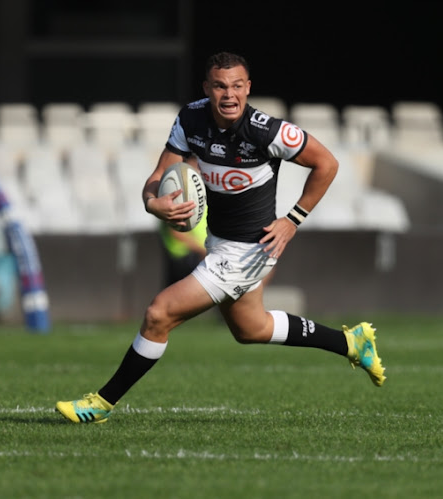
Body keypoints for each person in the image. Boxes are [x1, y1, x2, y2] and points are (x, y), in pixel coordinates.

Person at [55, 52, 385, 424]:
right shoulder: (190, 119)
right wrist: (153, 203)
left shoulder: (267, 130)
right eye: (220, 86)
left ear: (248, 88)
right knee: (251, 328)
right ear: (207, 89)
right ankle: (351, 343)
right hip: (219, 241)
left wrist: (293, 219)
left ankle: (101, 403)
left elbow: (327, 163)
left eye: (237, 86)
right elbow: (161, 173)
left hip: (250, 250)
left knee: (158, 314)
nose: (229, 95)